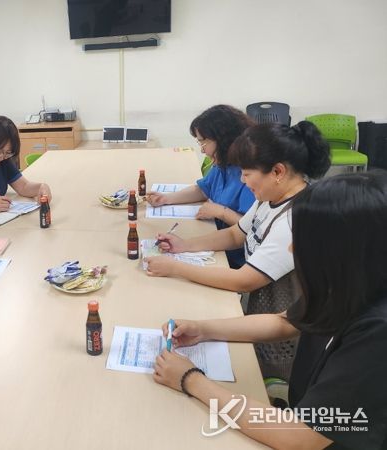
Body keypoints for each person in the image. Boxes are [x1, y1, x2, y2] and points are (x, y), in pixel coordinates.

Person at [152, 171, 387, 449]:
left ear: (345, 250)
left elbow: (299, 436)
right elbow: (286, 322)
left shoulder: (377, 333)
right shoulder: (347, 285)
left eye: (305, 240)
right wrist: (203, 330)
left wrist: (190, 380)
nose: (292, 247)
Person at [145, 121, 331, 379]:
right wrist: (185, 246)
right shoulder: (270, 198)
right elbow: (236, 234)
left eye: (246, 173)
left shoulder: (294, 219)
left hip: (278, 341)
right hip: (258, 316)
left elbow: (244, 281)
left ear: (277, 171)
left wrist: (176, 267)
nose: (242, 180)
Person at [146, 105, 256, 268]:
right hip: (217, 239)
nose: (202, 150)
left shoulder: (250, 175)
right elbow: (203, 189)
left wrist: (222, 212)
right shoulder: (223, 163)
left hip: (235, 256)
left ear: (223, 140)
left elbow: (252, 229)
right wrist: (166, 199)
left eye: (203, 142)